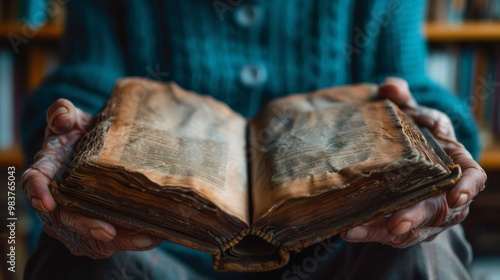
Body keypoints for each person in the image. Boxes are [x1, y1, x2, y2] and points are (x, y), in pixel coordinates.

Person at [21, 0, 486, 279]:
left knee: (420, 244)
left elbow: (410, 89)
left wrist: (436, 140)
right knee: (82, 251)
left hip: (343, 245)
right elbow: (85, 87)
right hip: (159, 247)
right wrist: (67, 140)